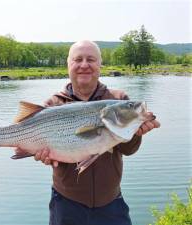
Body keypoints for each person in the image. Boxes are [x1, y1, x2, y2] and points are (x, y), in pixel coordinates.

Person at [34, 40, 160, 225]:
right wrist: (41, 155)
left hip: (111, 203)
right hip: (66, 203)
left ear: (100, 64)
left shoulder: (118, 100)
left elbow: (128, 150)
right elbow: (37, 147)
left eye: (91, 59)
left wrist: (136, 132)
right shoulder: (52, 105)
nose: (84, 65)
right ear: (68, 64)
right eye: (78, 59)